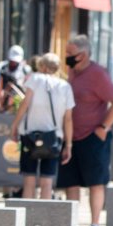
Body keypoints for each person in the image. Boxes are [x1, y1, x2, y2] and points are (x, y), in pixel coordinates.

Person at [57, 35, 113, 226]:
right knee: (71, 182)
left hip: (93, 136)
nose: (66, 57)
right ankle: (72, 224)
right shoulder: (72, 72)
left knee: (95, 181)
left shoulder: (97, 74)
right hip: (71, 137)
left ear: (83, 55)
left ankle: (94, 225)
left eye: (70, 54)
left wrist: (103, 127)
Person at [10, 53, 75, 200]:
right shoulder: (65, 86)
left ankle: (25, 218)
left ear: (42, 66)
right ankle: (42, 219)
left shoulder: (35, 79)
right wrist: (69, 145)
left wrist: (14, 126)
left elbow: (24, 104)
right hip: (54, 137)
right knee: (47, 181)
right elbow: (68, 119)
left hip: (30, 135)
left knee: (29, 180)